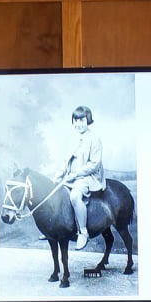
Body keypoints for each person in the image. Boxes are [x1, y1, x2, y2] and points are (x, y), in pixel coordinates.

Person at [56, 105, 104, 250]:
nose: (78, 124)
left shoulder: (94, 138)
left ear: (88, 120)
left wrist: (76, 174)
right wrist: (59, 174)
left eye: (82, 120)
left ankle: (83, 232)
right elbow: (66, 160)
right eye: (75, 120)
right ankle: (58, 228)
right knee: (57, 193)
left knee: (75, 196)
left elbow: (94, 164)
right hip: (71, 175)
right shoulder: (72, 139)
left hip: (88, 176)